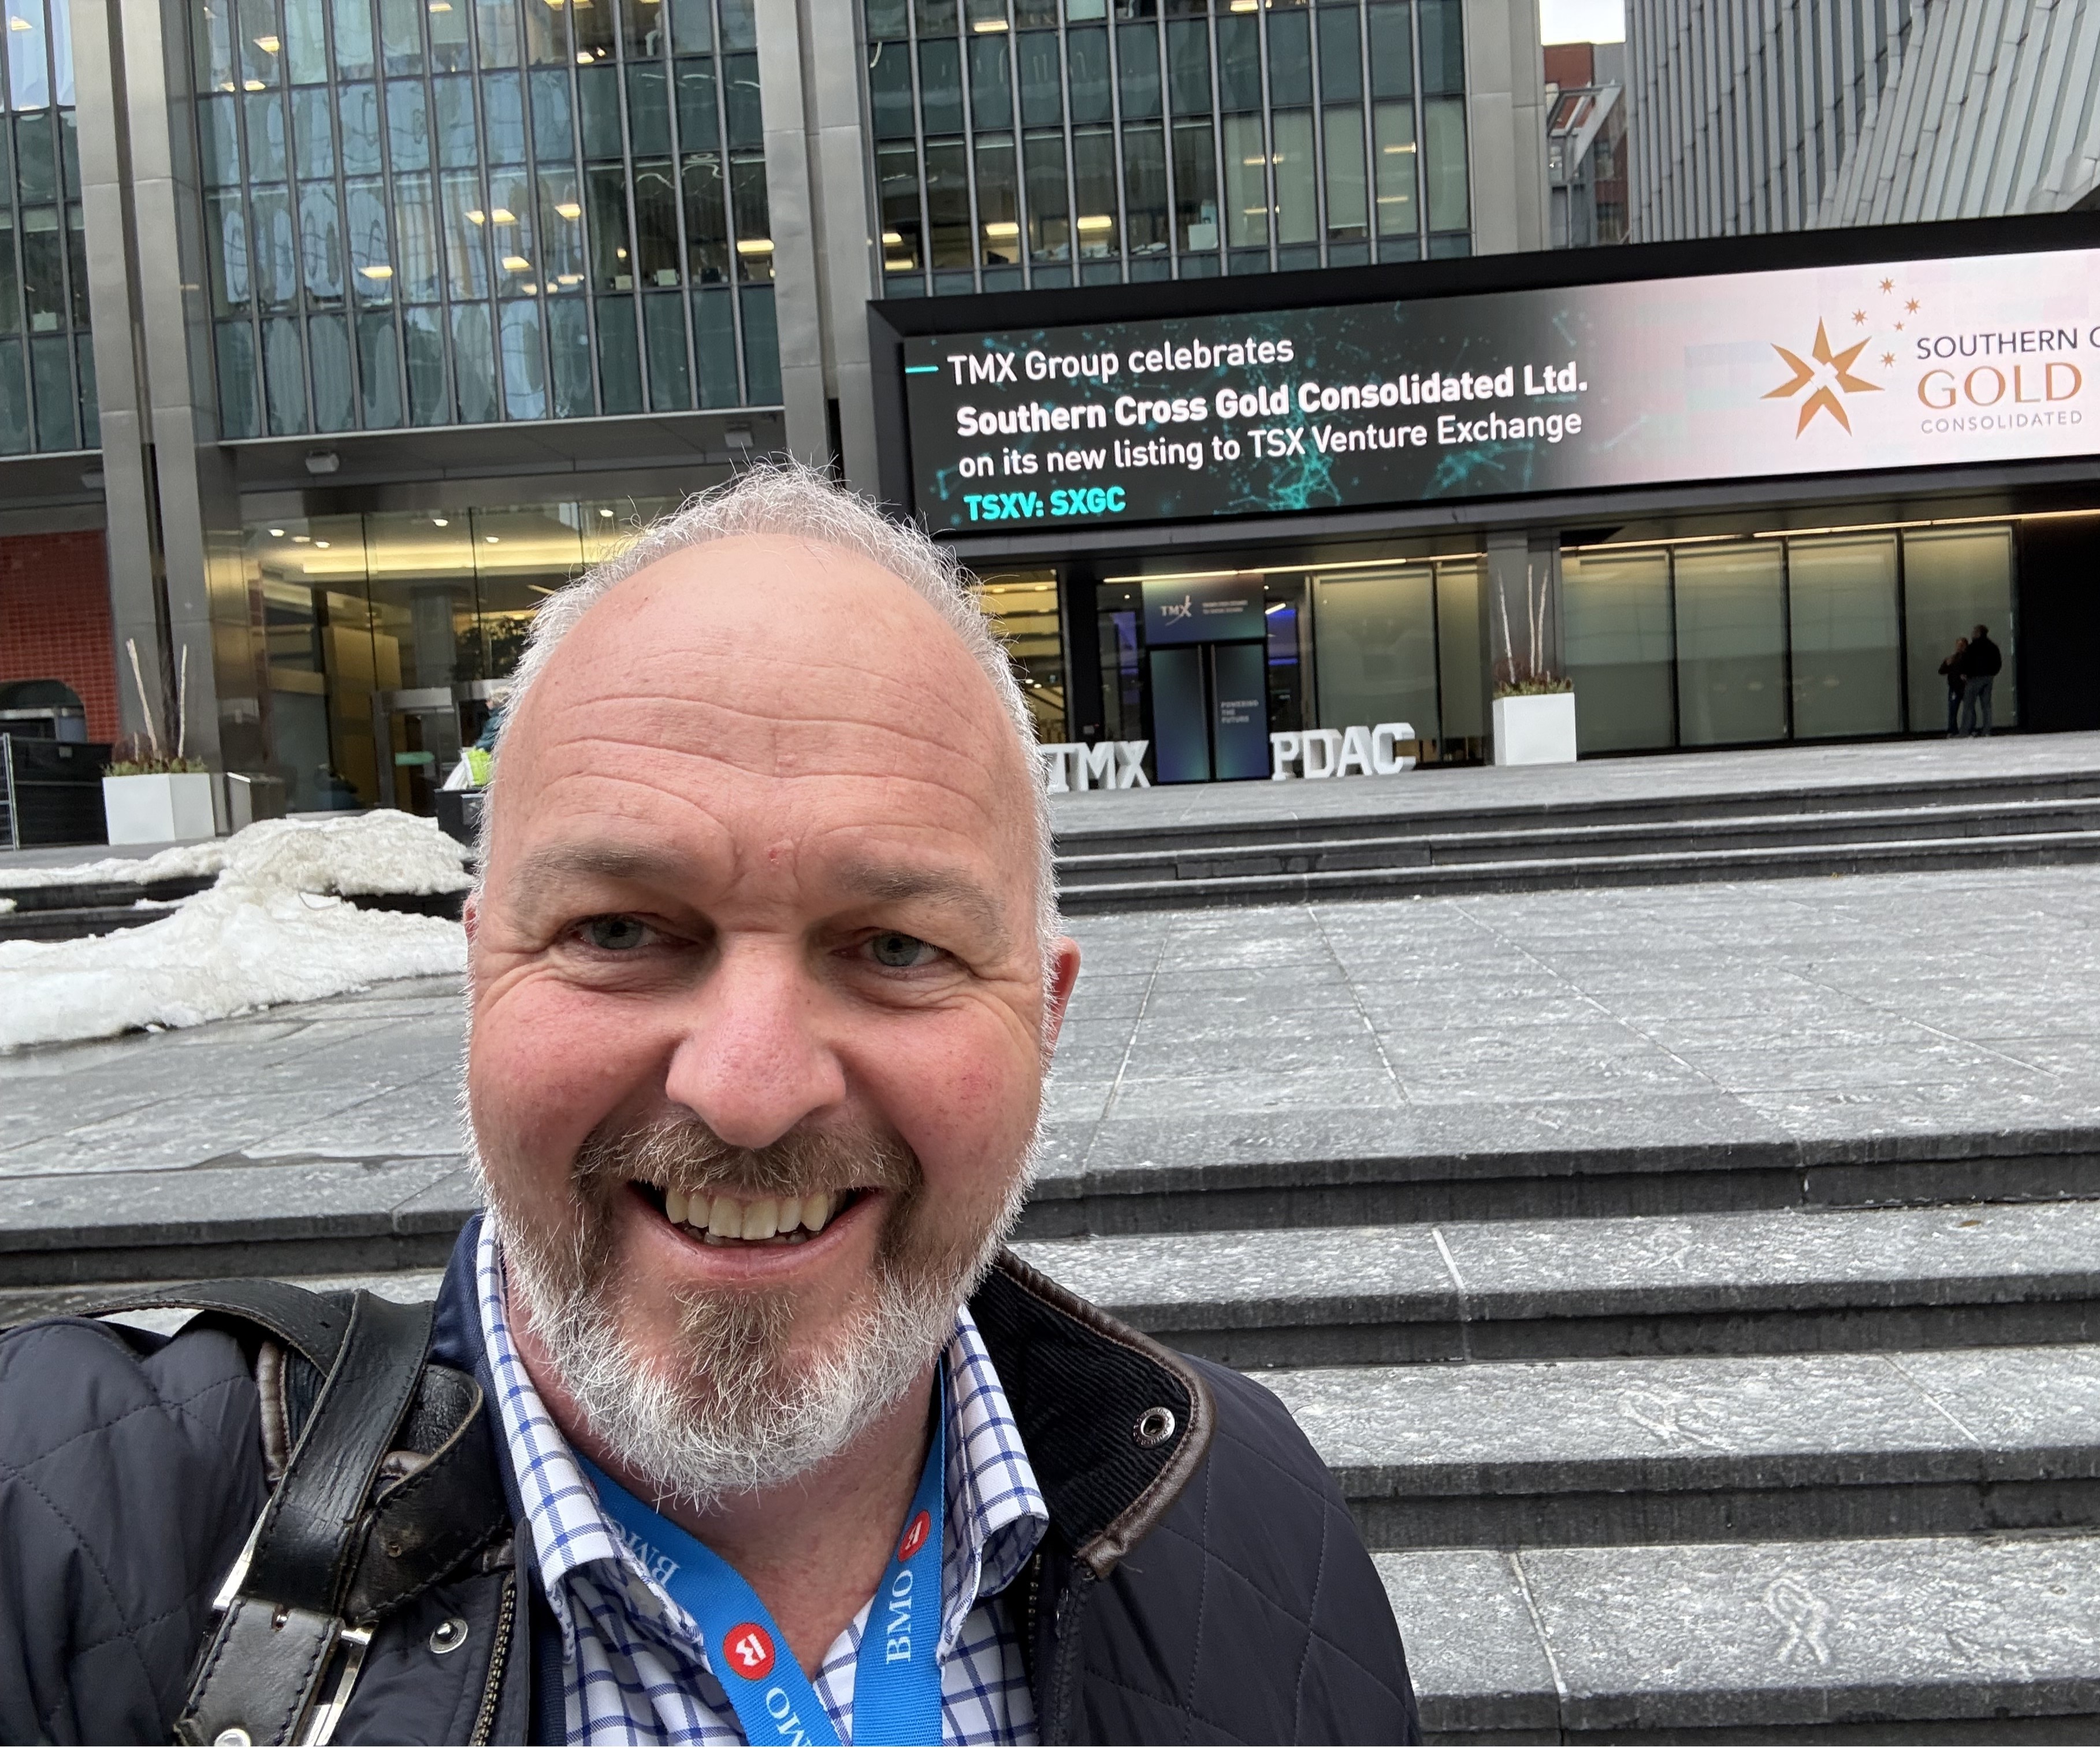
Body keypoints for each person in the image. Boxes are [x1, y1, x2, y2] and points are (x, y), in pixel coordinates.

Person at [0, 466, 1419, 1746]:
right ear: (482, 963)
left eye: (899, 947)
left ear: (1043, 1016)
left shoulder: (1253, 1516)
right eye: (621, 931)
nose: (746, 1095)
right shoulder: (69, 1521)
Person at [1962, 624, 2004, 736]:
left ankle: (1965, 731)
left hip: (1974, 679)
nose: (1972, 633)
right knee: (1986, 706)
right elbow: (1998, 663)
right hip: (1988, 679)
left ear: (1979, 633)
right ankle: (1987, 731)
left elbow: (1966, 662)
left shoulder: (1972, 647)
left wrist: (1965, 673)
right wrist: (1992, 674)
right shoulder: (1993, 647)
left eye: (1974, 631)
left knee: (1969, 706)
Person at [1939, 637, 1969, 737]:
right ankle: (1953, 730)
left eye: (1962, 645)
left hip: (1965, 687)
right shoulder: (1952, 658)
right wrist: (1947, 664)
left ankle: (1969, 729)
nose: (1959, 648)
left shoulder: (1969, 658)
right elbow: (1942, 671)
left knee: (1969, 710)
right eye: (1958, 645)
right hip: (1954, 688)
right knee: (1953, 710)